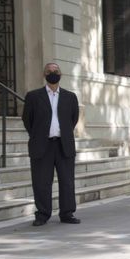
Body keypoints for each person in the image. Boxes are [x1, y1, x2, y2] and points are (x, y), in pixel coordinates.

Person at [22, 62, 80, 226]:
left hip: (64, 144)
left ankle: (67, 213)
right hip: (42, 145)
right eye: (49, 71)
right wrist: (39, 135)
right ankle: (42, 214)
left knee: (67, 182)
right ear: (44, 75)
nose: (52, 73)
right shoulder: (33, 96)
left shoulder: (70, 97)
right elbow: (28, 120)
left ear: (60, 75)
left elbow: (73, 119)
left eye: (56, 71)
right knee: (41, 182)